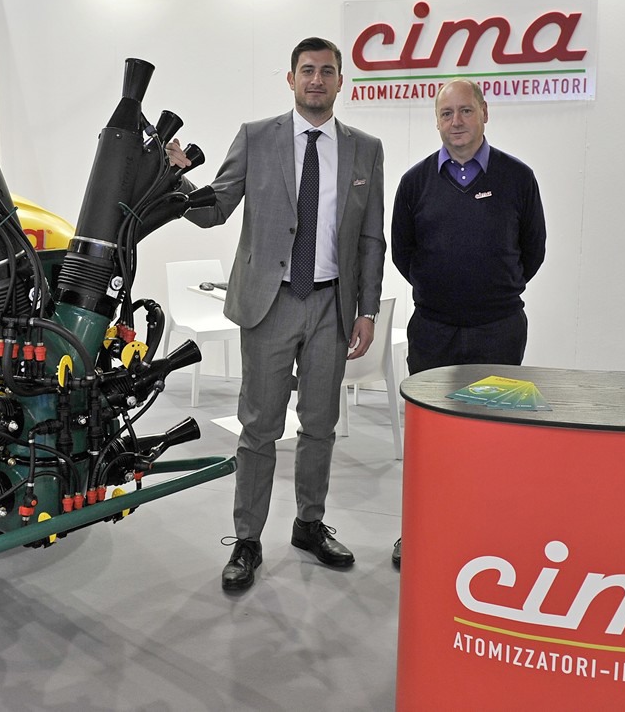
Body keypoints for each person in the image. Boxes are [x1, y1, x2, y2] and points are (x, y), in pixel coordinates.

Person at [166, 37, 386, 592]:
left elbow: (370, 237)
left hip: (332, 304)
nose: (316, 80)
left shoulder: (365, 149)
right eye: (307, 70)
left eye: (327, 71)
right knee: (260, 426)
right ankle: (247, 539)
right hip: (271, 303)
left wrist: (366, 310)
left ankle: (309, 524)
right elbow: (214, 210)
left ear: (341, 82)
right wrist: (175, 177)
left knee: (320, 424)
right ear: (291, 79)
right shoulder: (256, 137)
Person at [389, 78, 546, 568]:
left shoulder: (517, 178)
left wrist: (493, 288)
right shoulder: (415, 182)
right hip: (433, 331)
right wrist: (440, 290)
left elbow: (533, 250)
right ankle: (422, 531)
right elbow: (403, 252)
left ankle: (489, 536)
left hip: (498, 330)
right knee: (431, 440)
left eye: (465, 111)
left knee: (495, 437)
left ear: (484, 113)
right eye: (446, 113)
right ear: (436, 121)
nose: (455, 122)